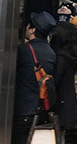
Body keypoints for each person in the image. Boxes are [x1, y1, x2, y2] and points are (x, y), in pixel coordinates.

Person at [13, 12, 57, 144]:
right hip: (40, 111)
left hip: (23, 109)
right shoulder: (51, 53)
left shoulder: (23, 51)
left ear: (32, 30)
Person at [50, 22, 77, 133]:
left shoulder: (61, 57)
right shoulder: (71, 55)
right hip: (69, 106)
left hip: (61, 106)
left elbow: (56, 81)